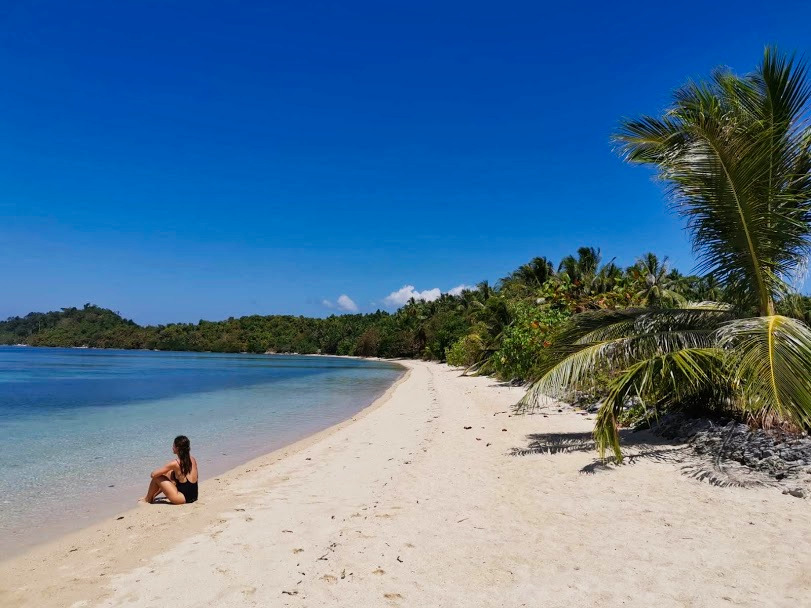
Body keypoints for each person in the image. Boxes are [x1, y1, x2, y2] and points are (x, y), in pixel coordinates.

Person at [141, 435, 199, 504]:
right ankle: (153, 496)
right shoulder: (192, 459)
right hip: (194, 496)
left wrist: (161, 472)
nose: (172, 448)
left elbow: (153, 475)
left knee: (157, 477)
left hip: (182, 498)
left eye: (173, 446)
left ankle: (148, 499)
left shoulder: (175, 463)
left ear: (177, 448)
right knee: (170, 473)